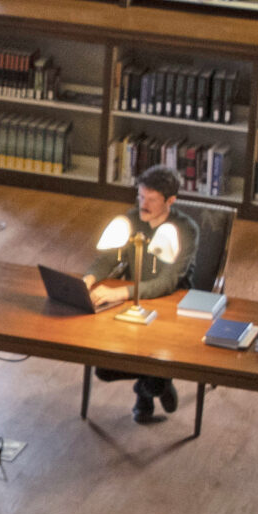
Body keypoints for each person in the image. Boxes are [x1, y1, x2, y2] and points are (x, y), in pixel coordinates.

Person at [83, 164, 201, 424]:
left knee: (156, 369)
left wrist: (121, 292)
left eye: (151, 199)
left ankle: (145, 392)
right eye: (140, 196)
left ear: (171, 201)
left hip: (171, 307)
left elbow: (167, 283)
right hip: (133, 304)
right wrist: (88, 279)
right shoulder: (132, 220)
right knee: (104, 369)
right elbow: (108, 258)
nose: (142, 204)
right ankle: (153, 382)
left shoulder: (185, 230)